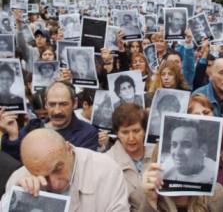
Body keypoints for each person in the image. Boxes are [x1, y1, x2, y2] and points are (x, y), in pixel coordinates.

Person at [1, 129, 129, 212]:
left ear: (68, 149)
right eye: (43, 177)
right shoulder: (19, 179)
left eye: (58, 168)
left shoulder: (106, 170)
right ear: (29, 167)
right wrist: (18, 200)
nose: (55, 184)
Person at [0, 81, 98, 160]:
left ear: (75, 103)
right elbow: (14, 160)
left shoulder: (87, 134)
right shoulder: (33, 126)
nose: (57, 111)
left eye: (63, 104)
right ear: (46, 103)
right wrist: (13, 135)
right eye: (52, 104)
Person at [106, 103, 153, 211]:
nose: (131, 138)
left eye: (136, 131)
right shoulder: (107, 162)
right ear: (117, 133)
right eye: (125, 132)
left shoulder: (158, 154)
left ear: (145, 131)